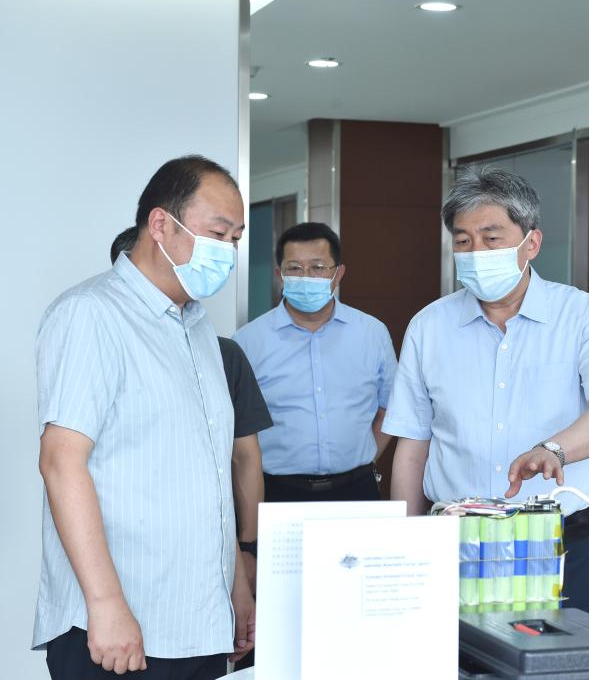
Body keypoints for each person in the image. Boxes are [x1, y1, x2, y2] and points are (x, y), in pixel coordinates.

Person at [35, 155, 254, 679]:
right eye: (217, 234)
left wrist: (237, 584)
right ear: (160, 224)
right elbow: (62, 463)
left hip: (198, 622)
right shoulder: (92, 314)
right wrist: (106, 604)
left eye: (236, 239)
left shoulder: (198, 328)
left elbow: (209, 472)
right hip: (117, 628)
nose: (227, 252)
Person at [385, 165, 589, 616]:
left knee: (559, 654)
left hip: (553, 539)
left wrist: (554, 450)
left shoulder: (582, 316)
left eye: (491, 238)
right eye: (463, 241)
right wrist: (404, 541)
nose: (475, 252)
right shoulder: (429, 327)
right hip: (454, 537)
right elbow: (413, 446)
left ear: (531, 243)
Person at [110, 226, 271, 598]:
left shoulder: (223, 354)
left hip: (212, 550)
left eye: (235, 236)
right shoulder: (101, 338)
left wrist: (247, 547)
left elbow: (245, 456)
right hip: (129, 549)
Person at [234, 222, 397, 503]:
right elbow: (238, 428)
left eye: (318, 267)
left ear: (338, 274)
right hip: (276, 491)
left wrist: (365, 457)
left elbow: (389, 409)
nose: (306, 276)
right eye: (295, 268)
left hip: (356, 488)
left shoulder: (372, 333)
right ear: (280, 275)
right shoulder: (248, 341)